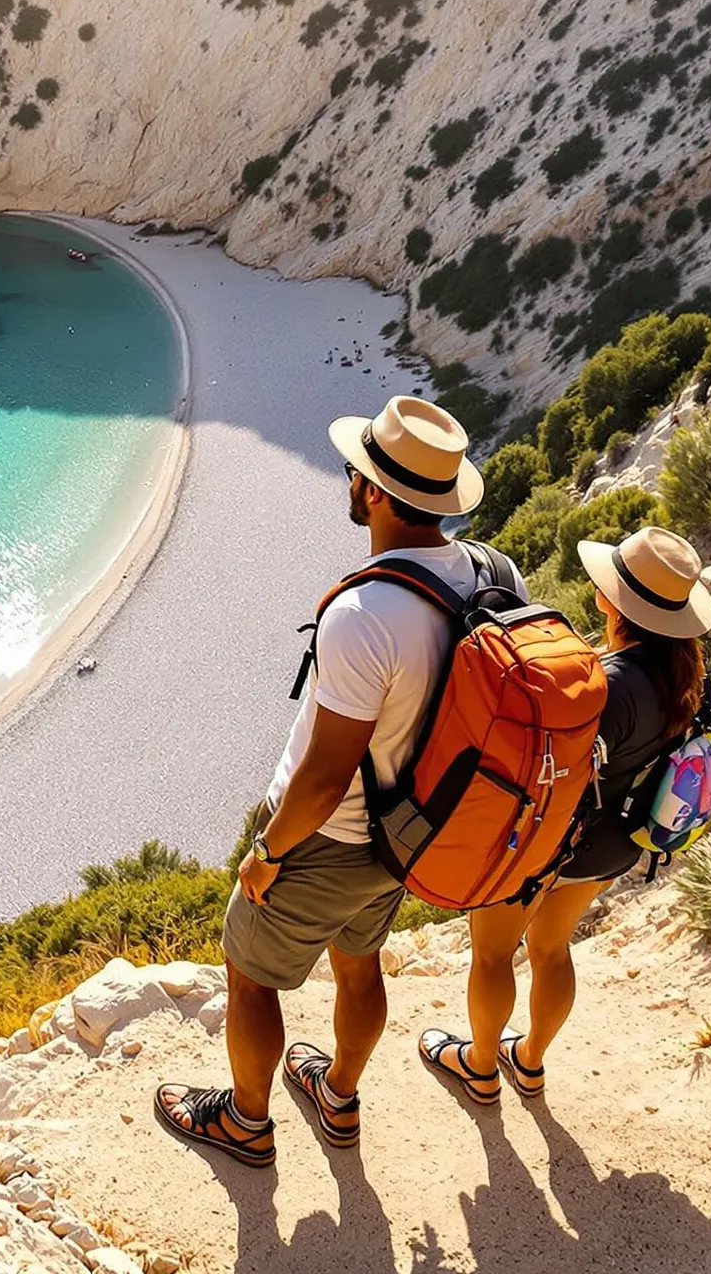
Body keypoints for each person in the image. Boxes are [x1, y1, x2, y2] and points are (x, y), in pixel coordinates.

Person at [155, 395, 521, 1168]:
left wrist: (268, 852)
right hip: (409, 833)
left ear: (378, 494)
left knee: (250, 977)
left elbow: (323, 778)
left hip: (329, 838)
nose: (348, 479)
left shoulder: (364, 613)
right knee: (360, 965)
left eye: (357, 472)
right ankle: (339, 1095)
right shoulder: (494, 570)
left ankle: (246, 1122)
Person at [426, 524, 711, 1103]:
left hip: (550, 841)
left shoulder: (607, 683)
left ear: (613, 602)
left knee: (491, 953)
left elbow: (549, 763)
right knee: (551, 949)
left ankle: (481, 1066)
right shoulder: (687, 676)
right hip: (615, 843)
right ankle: (528, 1060)